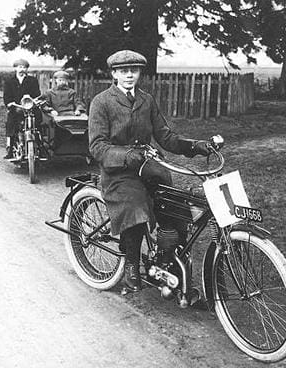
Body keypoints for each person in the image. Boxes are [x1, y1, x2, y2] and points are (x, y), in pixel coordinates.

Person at [89, 50, 212, 292]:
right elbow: (97, 146)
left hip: (148, 167)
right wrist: (125, 155)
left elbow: (165, 136)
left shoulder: (147, 99)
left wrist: (194, 146)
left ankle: (171, 263)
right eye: (123, 71)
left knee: (175, 206)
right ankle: (132, 266)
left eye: (133, 71)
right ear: (114, 73)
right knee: (135, 206)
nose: (128, 75)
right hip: (118, 172)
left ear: (139, 73)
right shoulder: (101, 102)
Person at [3, 58, 41, 159]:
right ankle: (10, 150)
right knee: (11, 123)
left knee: (38, 121)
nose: (22, 69)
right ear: (15, 68)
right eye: (20, 67)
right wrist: (10, 103)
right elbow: (6, 95)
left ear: (27, 69)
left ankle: (39, 147)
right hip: (16, 107)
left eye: (24, 67)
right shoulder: (9, 81)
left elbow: (37, 94)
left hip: (30, 107)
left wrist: (34, 101)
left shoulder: (32, 80)